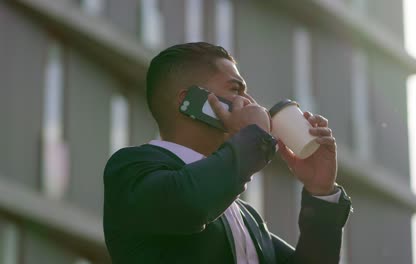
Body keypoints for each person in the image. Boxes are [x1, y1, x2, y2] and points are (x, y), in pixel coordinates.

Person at [103, 42, 352, 264]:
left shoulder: (247, 218)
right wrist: (253, 137)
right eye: (236, 89)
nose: (250, 102)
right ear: (189, 100)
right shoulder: (129, 168)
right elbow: (190, 203)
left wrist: (321, 192)